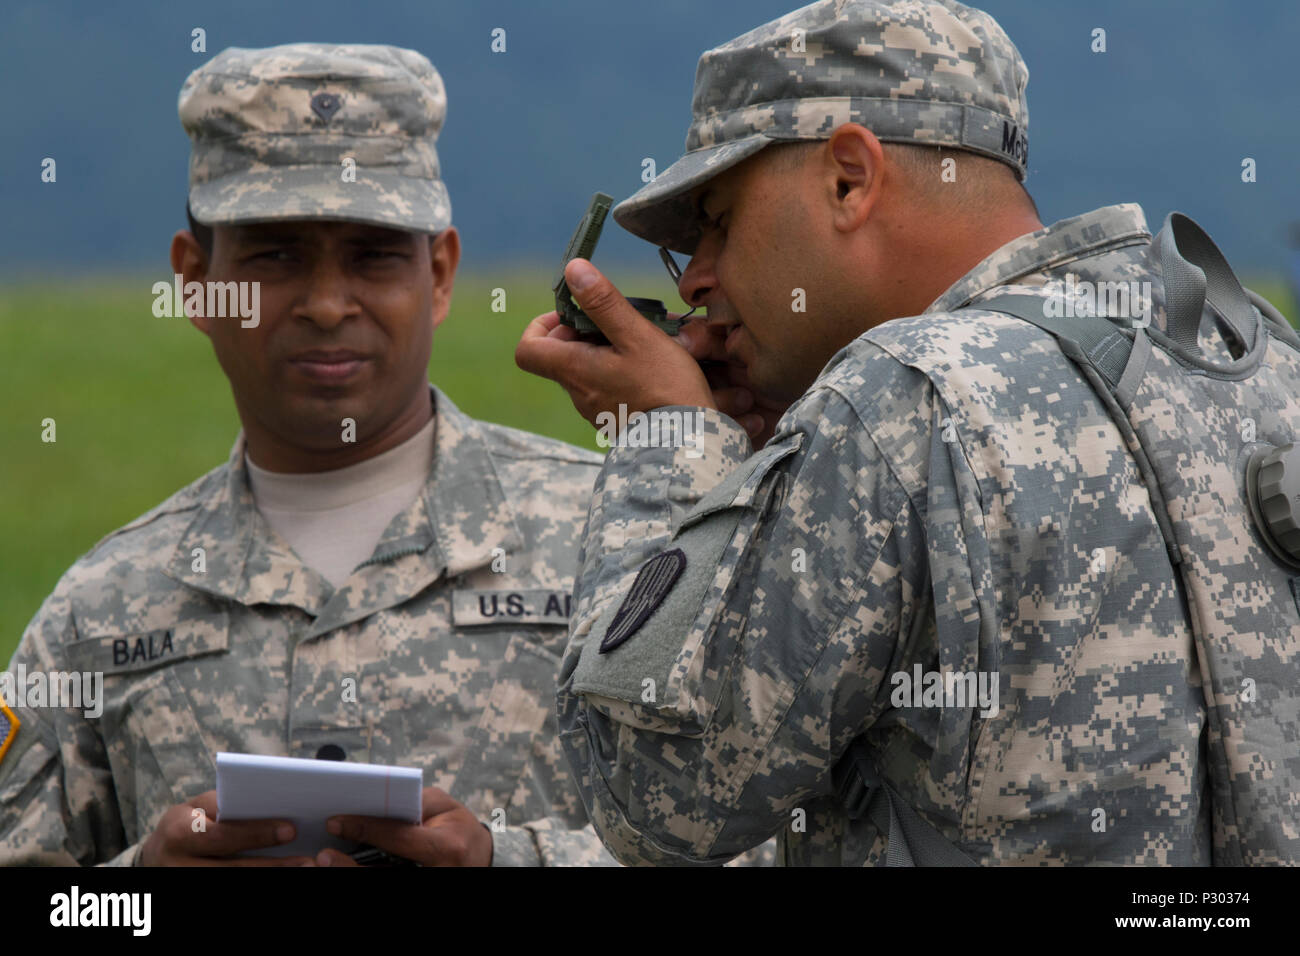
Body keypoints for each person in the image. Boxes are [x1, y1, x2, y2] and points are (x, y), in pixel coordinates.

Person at [516, 0, 1274, 865]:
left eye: (717, 222)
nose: (695, 281)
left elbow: (651, 798)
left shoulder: (897, 399)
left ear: (849, 177)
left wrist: (671, 441)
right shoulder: (1250, 353)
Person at [0, 42, 618, 867]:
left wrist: (510, 863)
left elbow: (774, 846)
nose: (328, 305)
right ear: (196, 281)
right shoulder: (95, 616)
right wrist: (140, 887)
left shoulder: (620, 549)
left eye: (373, 254)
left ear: (439, 274)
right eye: (276, 255)